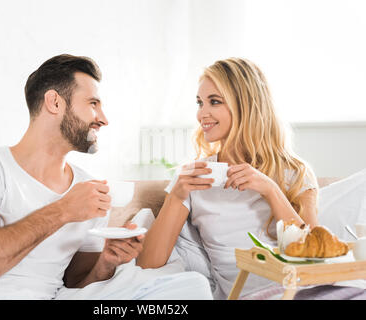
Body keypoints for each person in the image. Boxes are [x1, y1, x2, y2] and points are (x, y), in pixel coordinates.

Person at [0, 54, 212, 300]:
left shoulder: (85, 188)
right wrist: (62, 211)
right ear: (54, 103)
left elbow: (76, 282)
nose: (104, 118)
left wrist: (106, 262)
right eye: (93, 103)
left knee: (189, 290)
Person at [137, 57, 366, 299]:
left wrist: (271, 190)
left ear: (245, 106)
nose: (202, 114)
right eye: (199, 103)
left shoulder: (294, 172)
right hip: (248, 293)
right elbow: (148, 263)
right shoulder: (194, 177)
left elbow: (312, 255)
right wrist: (177, 195)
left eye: (214, 102)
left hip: (308, 289)